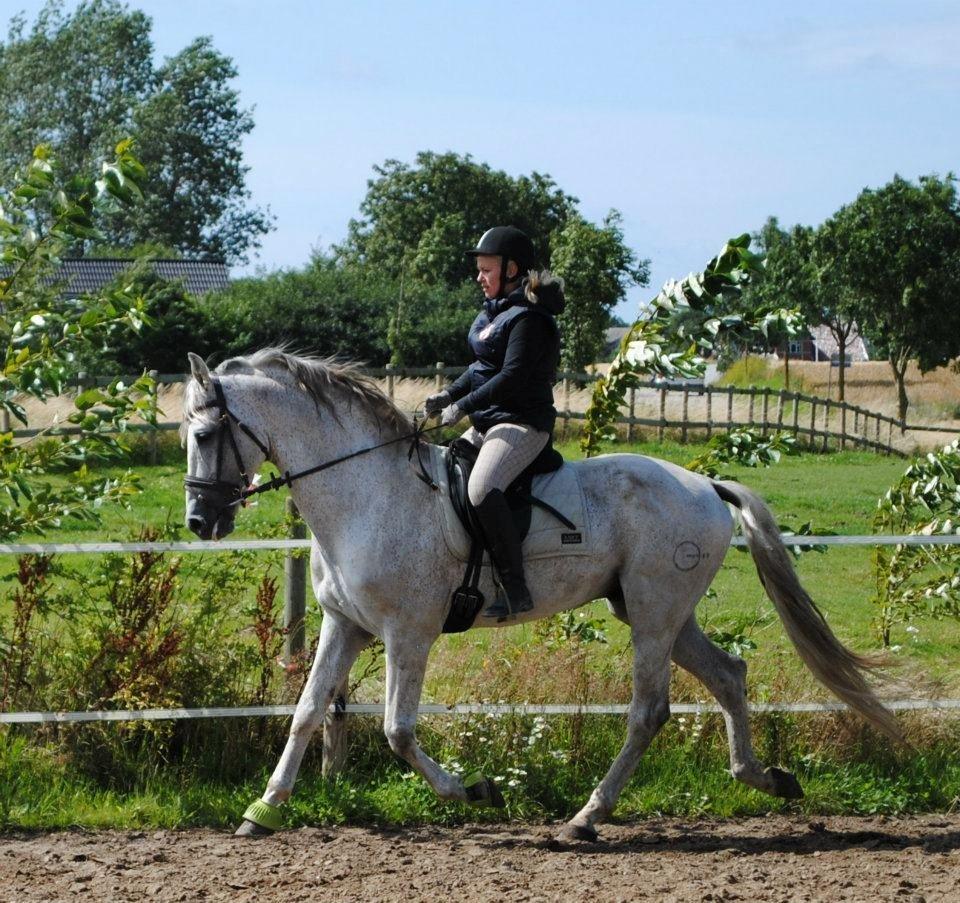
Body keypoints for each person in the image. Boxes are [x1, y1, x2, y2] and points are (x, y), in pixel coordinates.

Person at [424, 226, 565, 620]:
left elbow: (511, 377)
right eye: (480, 270)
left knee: (482, 488)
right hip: (490, 422)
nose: (479, 277)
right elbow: (480, 368)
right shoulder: (495, 313)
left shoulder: (530, 320)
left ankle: (516, 586)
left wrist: (463, 406)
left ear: (512, 269)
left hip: (522, 424)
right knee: (447, 470)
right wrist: (447, 396)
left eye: (486, 270)